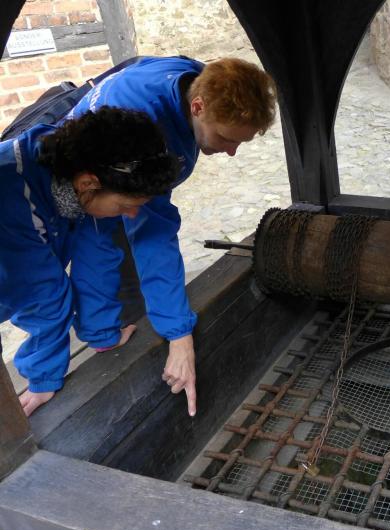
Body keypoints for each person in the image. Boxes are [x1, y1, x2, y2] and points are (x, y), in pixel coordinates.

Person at [65, 56, 277, 417]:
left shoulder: (195, 77)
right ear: (198, 107)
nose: (230, 152)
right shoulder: (144, 141)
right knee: (112, 268)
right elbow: (149, 234)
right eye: (226, 138)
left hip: (114, 175)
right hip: (90, 186)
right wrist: (178, 336)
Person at [0, 107, 178, 416]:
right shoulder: (15, 197)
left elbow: (98, 255)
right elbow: (44, 296)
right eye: (125, 205)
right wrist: (43, 380)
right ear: (87, 184)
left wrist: (102, 334)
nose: (132, 214)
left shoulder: (82, 173)